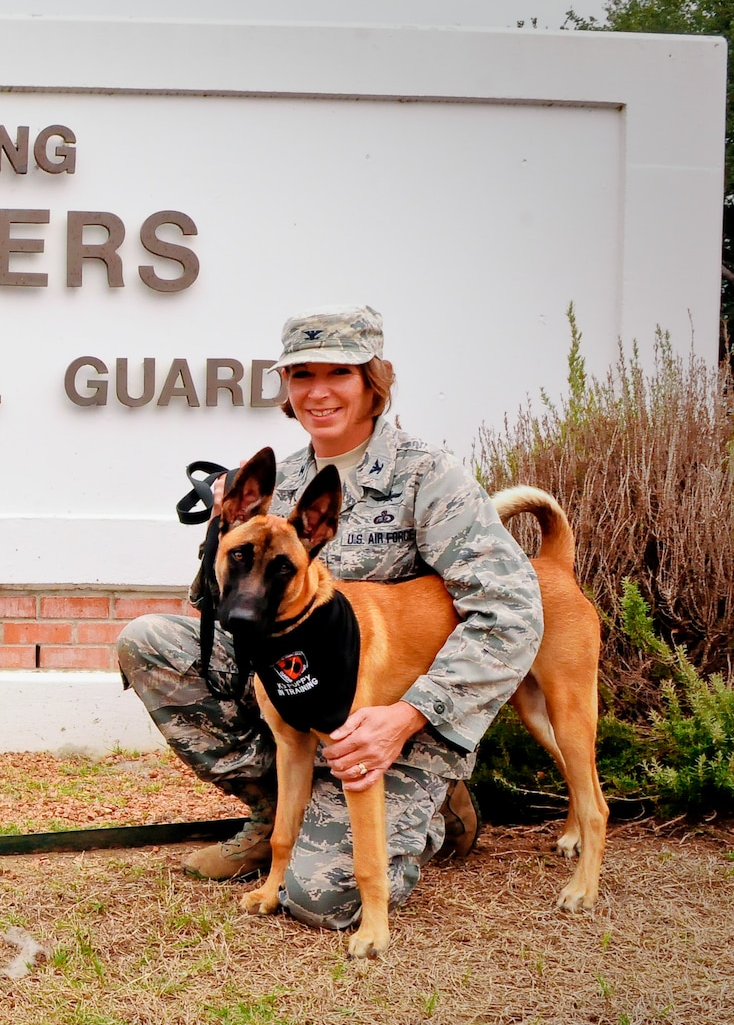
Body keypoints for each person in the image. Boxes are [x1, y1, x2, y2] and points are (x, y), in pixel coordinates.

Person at [117, 306, 541, 930]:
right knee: (149, 642)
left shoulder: (428, 476)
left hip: (400, 720)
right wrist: (221, 535)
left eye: (338, 372)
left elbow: (511, 614)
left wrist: (406, 717)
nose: (318, 391)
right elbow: (224, 610)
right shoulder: (273, 482)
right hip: (298, 694)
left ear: (373, 381)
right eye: (301, 374)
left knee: (322, 897)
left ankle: (432, 801)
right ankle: (278, 813)